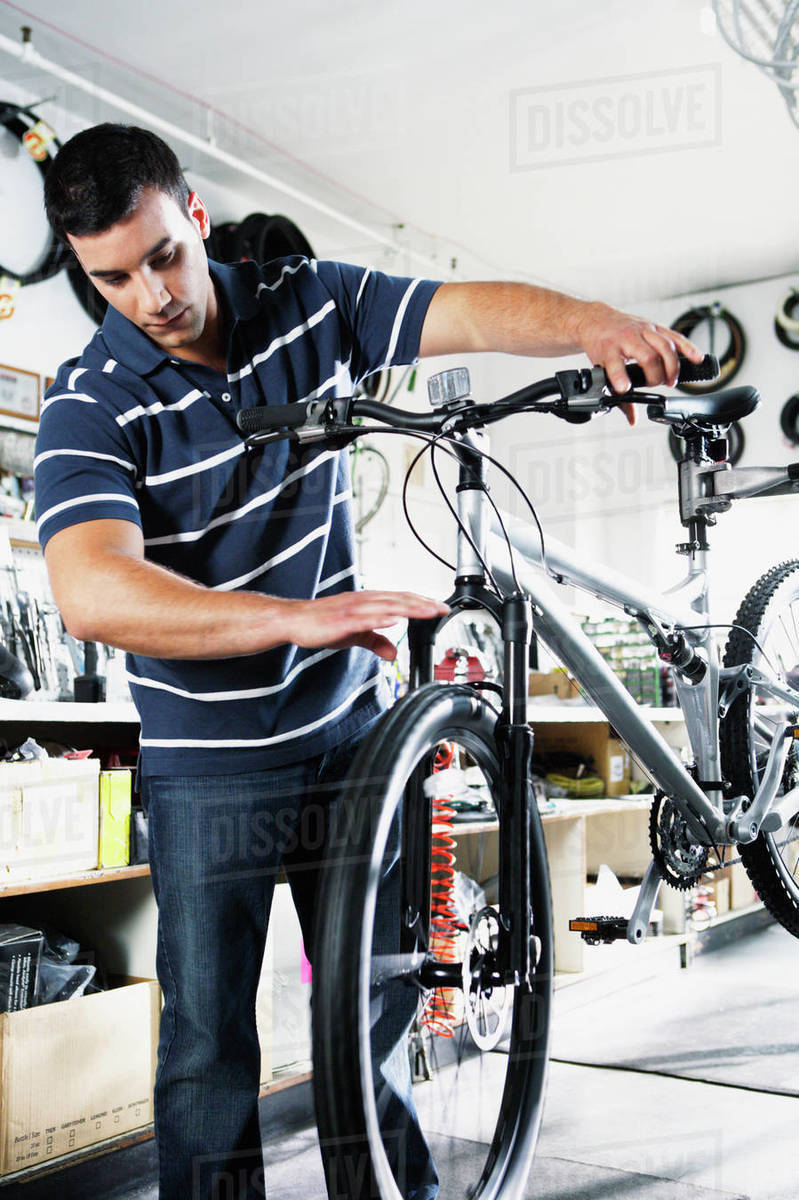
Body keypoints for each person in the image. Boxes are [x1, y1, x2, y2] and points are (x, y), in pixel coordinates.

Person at [36, 123, 701, 1200]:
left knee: (374, 1020)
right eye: (113, 276)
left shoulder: (305, 298)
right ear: (83, 266)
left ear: (193, 217)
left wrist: (592, 325)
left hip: (353, 742)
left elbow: (460, 309)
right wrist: (290, 618)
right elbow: (92, 589)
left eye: (162, 255)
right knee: (208, 1053)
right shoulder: (89, 402)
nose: (151, 294)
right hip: (212, 769)